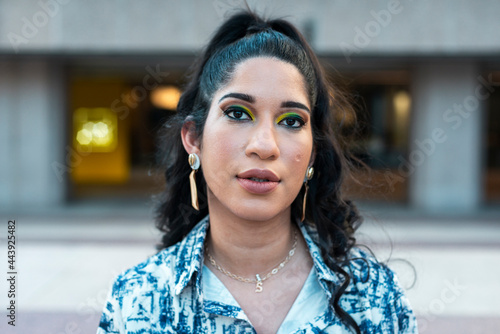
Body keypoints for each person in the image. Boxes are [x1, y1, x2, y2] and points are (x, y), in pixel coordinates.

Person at [97, 9, 418, 334]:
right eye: (237, 113)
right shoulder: (138, 299)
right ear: (194, 138)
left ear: (312, 154)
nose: (265, 146)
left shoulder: (374, 298)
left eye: (292, 121)